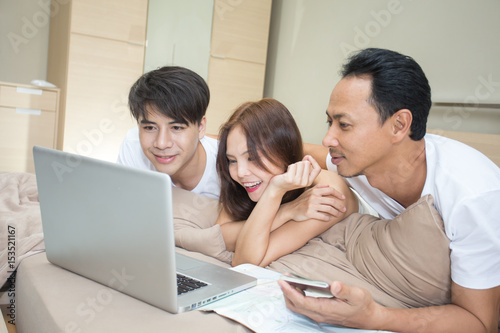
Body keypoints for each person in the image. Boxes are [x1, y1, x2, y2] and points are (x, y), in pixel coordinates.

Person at [278, 48, 500, 332]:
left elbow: (480, 323)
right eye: (329, 122)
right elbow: (289, 150)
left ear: (399, 125)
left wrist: (373, 316)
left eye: (343, 125)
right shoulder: (361, 161)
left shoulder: (473, 197)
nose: (328, 137)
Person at [215, 98, 359, 267]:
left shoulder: (327, 191)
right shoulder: (245, 184)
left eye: (252, 158)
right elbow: (218, 236)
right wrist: (285, 212)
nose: (240, 173)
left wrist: (274, 191)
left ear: (283, 150)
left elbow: (245, 262)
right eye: (232, 160)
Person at [116, 66, 220, 199]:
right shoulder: (133, 145)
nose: (161, 143)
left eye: (176, 128)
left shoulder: (228, 164)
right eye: (150, 128)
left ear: (201, 127)